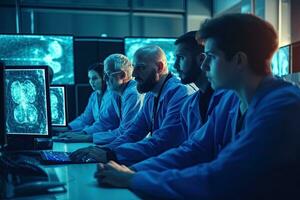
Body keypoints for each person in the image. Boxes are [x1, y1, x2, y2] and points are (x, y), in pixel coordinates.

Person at [95, 13, 300, 199]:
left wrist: (132, 179)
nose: (204, 65)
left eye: (211, 57)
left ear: (238, 60)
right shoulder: (231, 102)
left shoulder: (283, 107)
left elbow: (221, 176)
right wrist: (133, 171)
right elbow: (194, 150)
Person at [70, 45, 195, 164]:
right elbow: (133, 132)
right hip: (160, 161)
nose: (134, 74)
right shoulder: (151, 95)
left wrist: (111, 155)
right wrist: (106, 150)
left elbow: (163, 142)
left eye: (140, 68)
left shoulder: (180, 93)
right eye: (134, 67)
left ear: (159, 67)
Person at [54, 63, 120, 141]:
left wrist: (81, 134)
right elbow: (85, 119)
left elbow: (104, 123)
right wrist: (67, 128)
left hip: (111, 138)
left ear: (104, 78)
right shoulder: (94, 96)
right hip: (98, 136)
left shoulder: (113, 95)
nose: (91, 82)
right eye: (90, 78)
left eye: (95, 78)